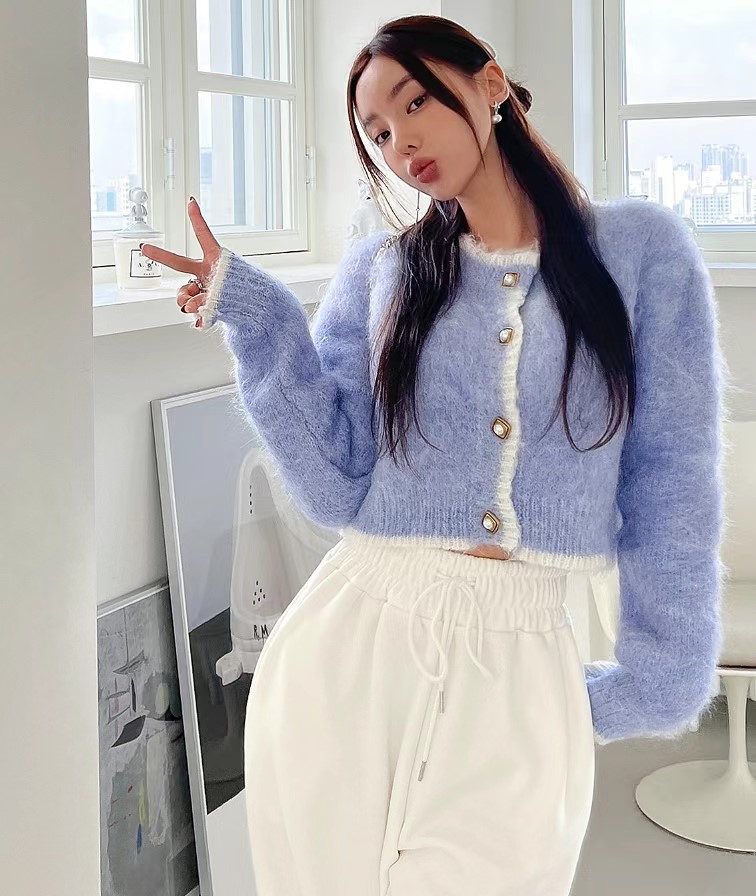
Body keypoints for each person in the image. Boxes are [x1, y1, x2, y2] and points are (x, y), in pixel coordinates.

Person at [140, 13, 730, 896]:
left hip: (523, 647)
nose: (400, 141)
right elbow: (336, 482)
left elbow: (674, 479)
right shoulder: (384, 270)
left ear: (489, 84)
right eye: (377, 131)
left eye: (414, 102)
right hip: (354, 641)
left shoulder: (641, 253)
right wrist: (259, 321)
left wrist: (662, 675)